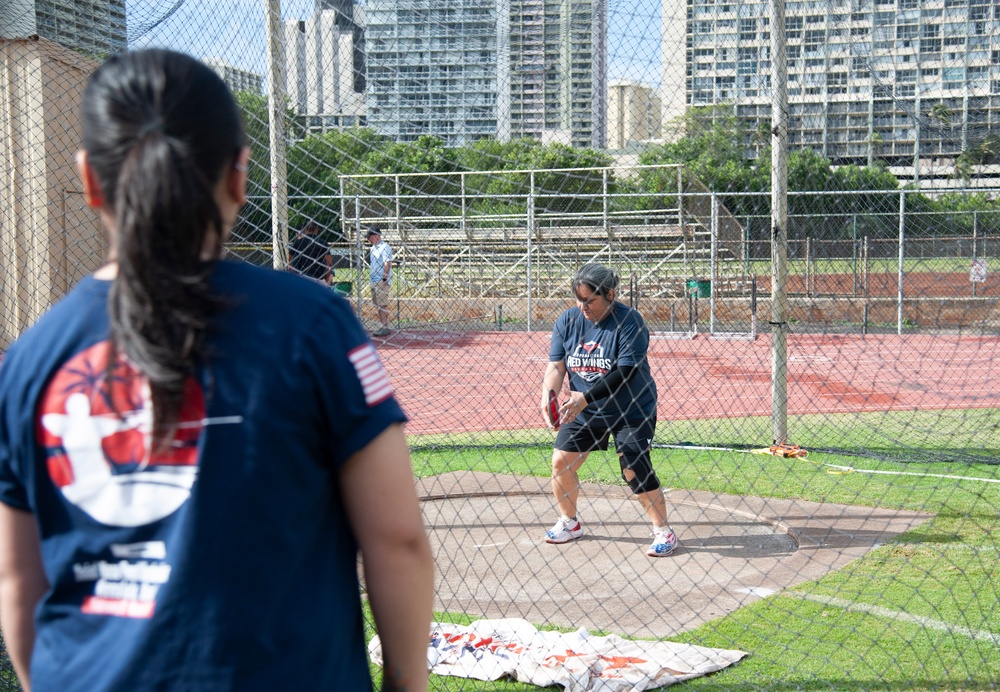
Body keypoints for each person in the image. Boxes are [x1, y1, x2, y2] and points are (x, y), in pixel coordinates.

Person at [0, 49, 433, 691]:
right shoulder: (312, 324)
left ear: (91, 181)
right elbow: (396, 539)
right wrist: (408, 683)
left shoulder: (30, 359)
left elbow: (18, 577)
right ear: (239, 175)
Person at [540, 263, 678, 558]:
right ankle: (570, 522)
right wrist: (547, 395)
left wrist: (583, 400)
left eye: (590, 300)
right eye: (579, 299)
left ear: (610, 294)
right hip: (587, 410)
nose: (583, 306)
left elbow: (625, 372)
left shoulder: (630, 321)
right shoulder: (568, 320)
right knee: (560, 463)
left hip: (631, 408)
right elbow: (556, 365)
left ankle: (663, 530)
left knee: (633, 466)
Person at [287, 220, 332, 285]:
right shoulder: (323, 242)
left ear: (305, 230)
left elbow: (288, 259)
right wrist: (327, 278)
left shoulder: (299, 242)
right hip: (319, 277)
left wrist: (294, 271)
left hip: (303, 276)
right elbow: (329, 263)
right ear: (316, 230)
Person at [366, 227, 393, 337]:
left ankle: (384, 327)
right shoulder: (373, 248)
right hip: (374, 279)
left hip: (381, 279)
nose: (368, 239)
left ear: (376, 236)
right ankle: (383, 325)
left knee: (382, 304)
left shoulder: (385, 247)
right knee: (378, 304)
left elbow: (387, 263)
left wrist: (384, 278)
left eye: (369, 237)